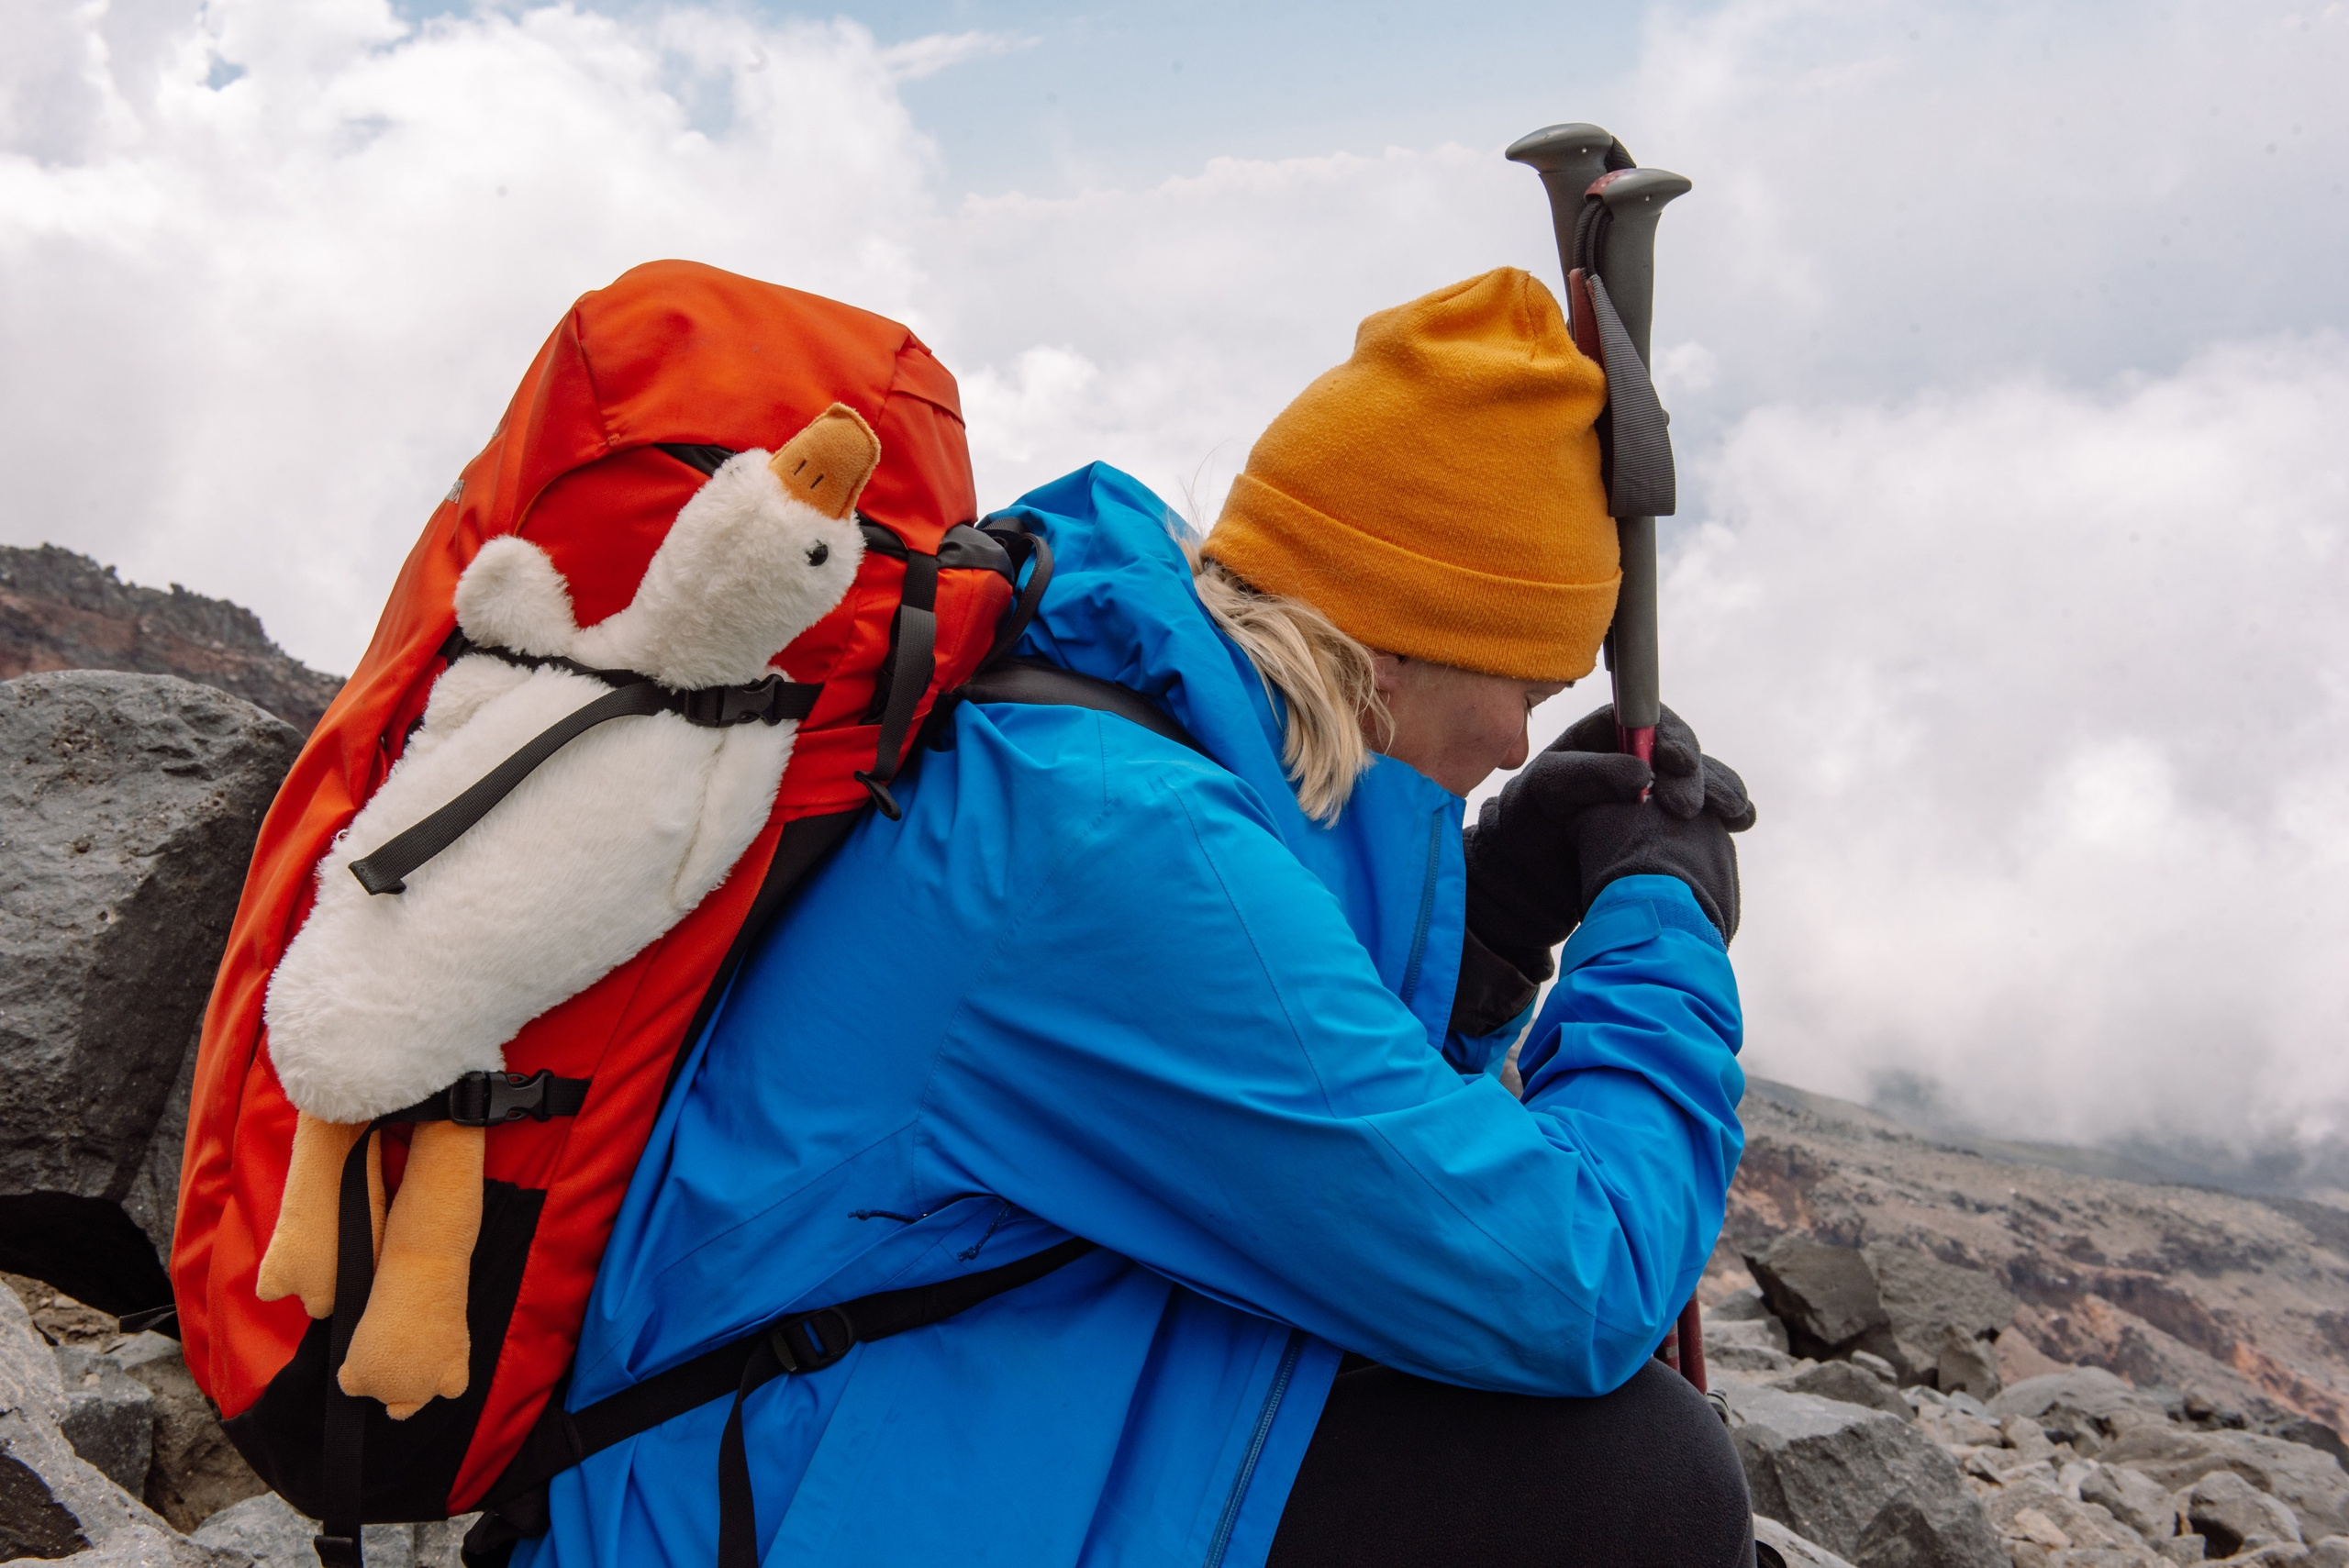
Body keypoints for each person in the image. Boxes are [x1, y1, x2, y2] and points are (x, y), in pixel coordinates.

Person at [517, 267, 1758, 1568]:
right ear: (1396, 642)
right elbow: (1572, 1273)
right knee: (1630, 1488)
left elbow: (1292, 1115)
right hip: (752, 1518)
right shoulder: (1120, 841)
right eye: (1524, 681)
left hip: (852, 1439)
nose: (1516, 741)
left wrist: (1492, 915)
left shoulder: (1096, 721)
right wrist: (1660, 922)